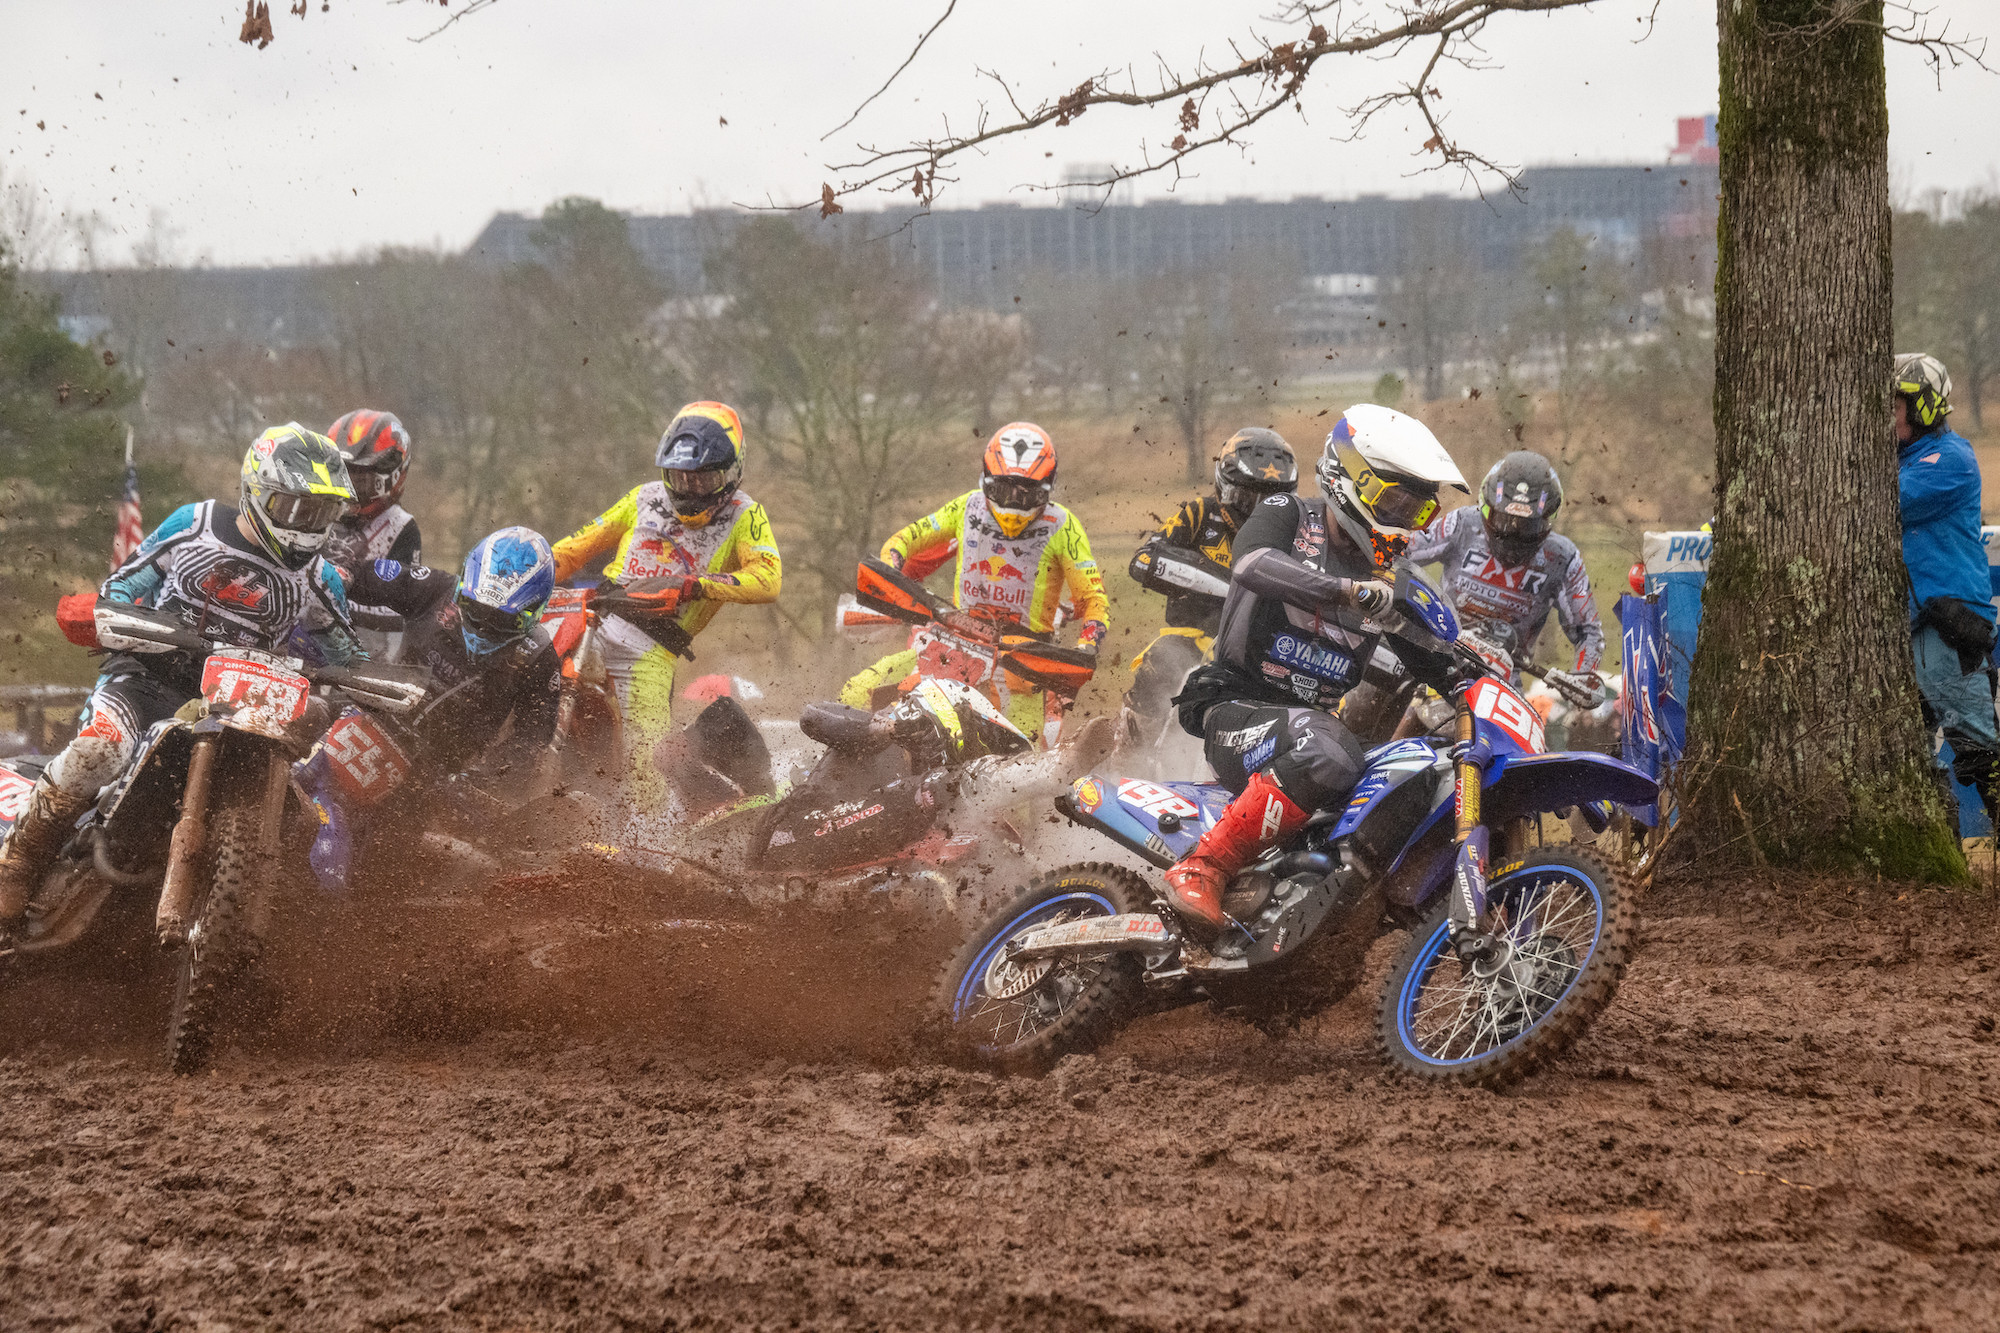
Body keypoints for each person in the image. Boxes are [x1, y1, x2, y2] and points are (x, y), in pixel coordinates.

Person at [0, 424, 361, 928]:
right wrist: (117, 620)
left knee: (295, 804)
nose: (307, 525)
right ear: (259, 492)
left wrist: (361, 684)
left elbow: (347, 653)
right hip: (148, 677)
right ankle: (16, 864)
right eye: (297, 509)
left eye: (322, 512)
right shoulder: (198, 525)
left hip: (240, 702)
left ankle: (246, 925)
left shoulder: (318, 578)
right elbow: (122, 587)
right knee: (99, 749)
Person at [1163, 403, 1469, 941]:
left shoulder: (1392, 578)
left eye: (1417, 511)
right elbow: (1251, 564)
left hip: (1306, 726)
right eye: (1391, 502)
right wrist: (1347, 591)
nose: (1401, 520)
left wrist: (1477, 675)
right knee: (1331, 748)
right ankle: (1203, 865)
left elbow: (1436, 659)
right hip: (1234, 707)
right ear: (1347, 477)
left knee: (1418, 768)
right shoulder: (1287, 512)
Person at [550, 402, 781, 816]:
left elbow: (768, 579)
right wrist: (521, 574)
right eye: (680, 477)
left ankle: (649, 840)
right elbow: (572, 550)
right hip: (594, 621)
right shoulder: (643, 498)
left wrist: (696, 586)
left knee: (648, 769)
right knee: (537, 683)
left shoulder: (746, 515)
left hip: (650, 651)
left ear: (730, 473)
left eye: (704, 478)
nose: (690, 490)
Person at [302, 527, 564, 887]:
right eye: (476, 609)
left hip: (432, 775)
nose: (484, 625)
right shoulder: (435, 589)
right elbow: (361, 577)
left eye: (501, 620)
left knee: (385, 874)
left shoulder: (537, 658)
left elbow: (531, 740)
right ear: (463, 591)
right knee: (297, 726)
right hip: (370, 714)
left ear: (532, 613)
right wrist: (338, 573)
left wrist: (480, 780)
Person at [841, 423, 1108, 740]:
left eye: (1026, 494)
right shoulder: (967, 507)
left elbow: (1093, 599)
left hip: (1020, 665)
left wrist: (1086, 646)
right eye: (1003, 490)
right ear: (986, 478)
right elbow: (903, 540)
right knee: (856, 694)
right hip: (948, 644)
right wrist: (891, 570)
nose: (1013, 503)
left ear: (1046, 487)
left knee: (1022, 761)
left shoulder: (1063, 526)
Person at [1123, 427, 1299, 744]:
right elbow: (1144, 560)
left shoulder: (1296, 534)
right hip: (1191, 637)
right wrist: (1231, 583)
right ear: (1225, 488)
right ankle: (1130, 749)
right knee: (1162, 658)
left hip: (1259, 649)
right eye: (1247, 500)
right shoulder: (1198, 514)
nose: (1257, 511)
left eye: (1271, 501)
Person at [1404, 449, 1604, 701]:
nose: (1512, 533)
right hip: (1435, 655)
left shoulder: (1562, 557)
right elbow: (1403, 550)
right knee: (1369, 696)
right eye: (1503, 520)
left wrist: (1584, 676)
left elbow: (1588, 631)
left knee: (1524, 742)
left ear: (1547, 520)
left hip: (1502, 681)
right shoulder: (1462, 523)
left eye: (1527, 526)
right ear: (1485, 507)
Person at [1894, 352, 2000, 825]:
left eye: (1896, 404)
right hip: (1918, 629)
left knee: (1981, 755)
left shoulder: (1948, 459)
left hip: (1950, 627)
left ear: (1923, 408)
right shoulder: (1904, 459)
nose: (1888, 414)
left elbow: (1885, 500)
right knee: (1905, 762)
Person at [324, 410, 422, 657]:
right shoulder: (320, 507)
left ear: (392, 477)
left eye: (359, 481)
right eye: (342, 476)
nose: (348, 491)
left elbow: (400, 608)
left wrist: (339, 590)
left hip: (365, 652)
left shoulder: (401, 527)